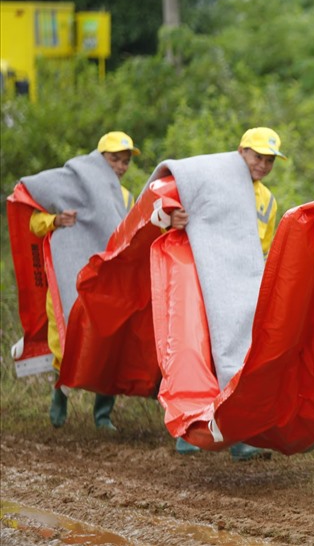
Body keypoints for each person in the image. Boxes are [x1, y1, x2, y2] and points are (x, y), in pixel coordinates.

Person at [168, 127, 286, 461]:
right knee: (200, 353)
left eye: (269, 161)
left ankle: (237, 435)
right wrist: (170, 218)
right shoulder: (209, 180)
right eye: (257, 156)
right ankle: (189, 430)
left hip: (243, 286)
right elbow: (163, 206)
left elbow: (262, 247)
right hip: (203, 280)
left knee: (240, 357)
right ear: (240, 152)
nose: (262, 165)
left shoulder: (268, 201)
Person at [24, 131, 140, 431]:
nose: (121, 166)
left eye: (125, 161)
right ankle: (60, 394)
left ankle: (103, 413)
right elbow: (34, 223)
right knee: (64, 339)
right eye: (115, 159)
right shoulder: (68, 188)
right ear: (99, 158)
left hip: (106, 283)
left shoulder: (125, 197)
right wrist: (55, 221)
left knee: (109, 341)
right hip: (67, 278)